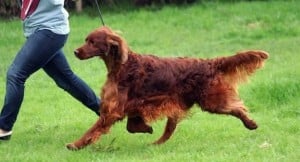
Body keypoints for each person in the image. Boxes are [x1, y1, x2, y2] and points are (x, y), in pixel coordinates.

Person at [0, 0, 101, 140]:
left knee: (16, 75)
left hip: (50, 31)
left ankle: (4, 128)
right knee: (66, 79)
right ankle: (105, 110)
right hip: (37, 30)